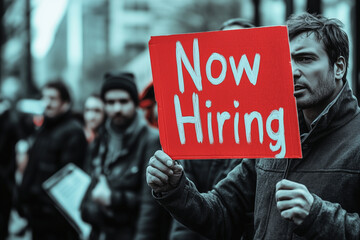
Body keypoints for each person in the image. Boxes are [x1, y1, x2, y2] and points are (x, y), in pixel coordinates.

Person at [146, 12, 359, 239]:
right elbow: (222, 214)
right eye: (285, 61)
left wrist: (317, 215)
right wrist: (174, 188)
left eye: (305, 59)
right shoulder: (272, 131)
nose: (292, 71)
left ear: (339, 67)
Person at [168, 18, 255, 240]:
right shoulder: (199, 122)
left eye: (239, 46)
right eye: (223, 47)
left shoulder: (271, 121)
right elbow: (188, 213)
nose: (231, 55)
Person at [81, 72, 163, 240]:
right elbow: (89, 190)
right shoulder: (101, 138)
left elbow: (151, 205)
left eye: (123, 101)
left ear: (135, 103)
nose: (117, 108)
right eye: (110, 102)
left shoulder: (150, 140)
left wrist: (113, 199)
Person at [16, 80, 87, 240]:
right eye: (44, 97)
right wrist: (22, 200)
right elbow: (32, 168)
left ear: (66, 103)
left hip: (56, 223)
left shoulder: (73, 132)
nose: (46, 103)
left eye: (52, 98)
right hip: (38, 217)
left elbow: (66, 181)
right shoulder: (44, 129)